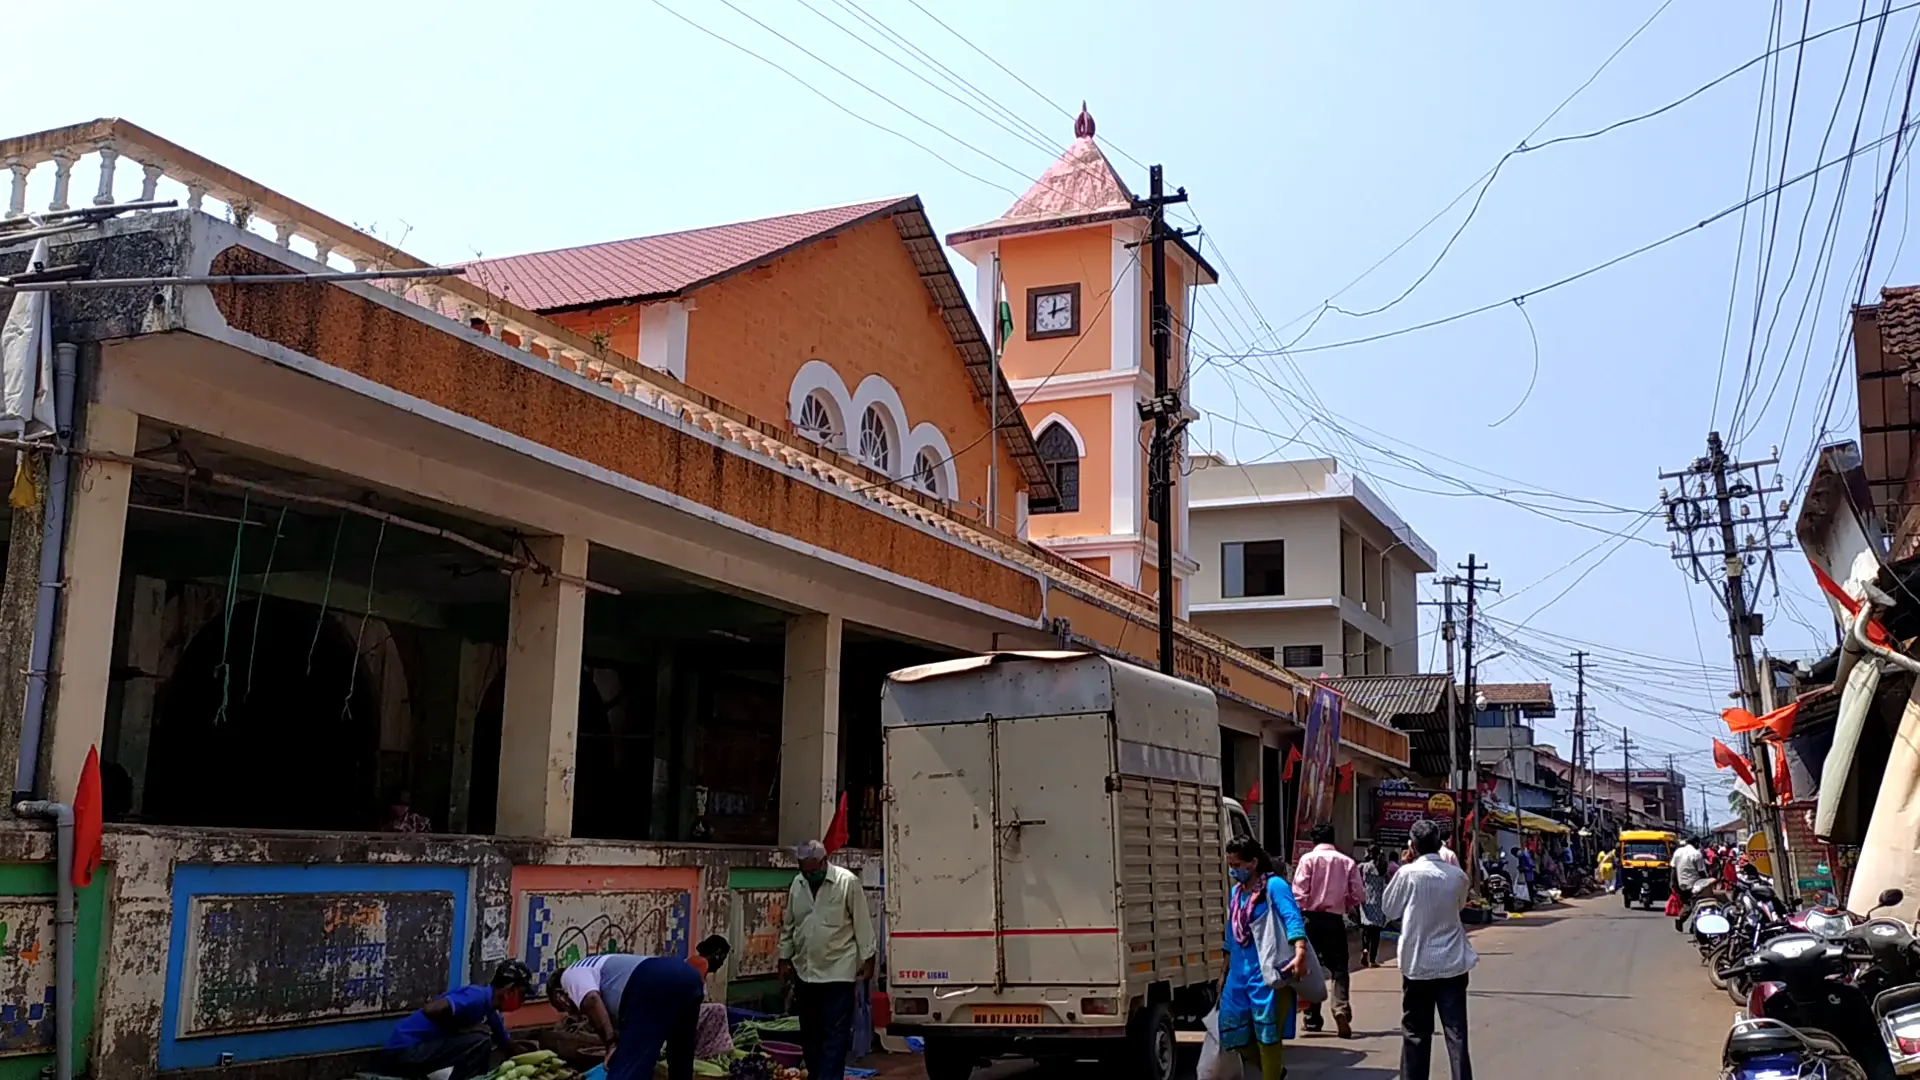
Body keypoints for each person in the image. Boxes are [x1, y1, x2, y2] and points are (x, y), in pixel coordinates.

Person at [1384, 819, 1477, 1080]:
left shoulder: (1407, 873)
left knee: (1415, 1033)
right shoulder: (1457, 876)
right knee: (1456, 1033)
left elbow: (1389, 909)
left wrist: (1404, 866)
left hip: (1418, 965)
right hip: (1453, 963)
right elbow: (1458, 907)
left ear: (1412, 847)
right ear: (1439, 845)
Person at [778, 839, 876, 1080]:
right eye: (804, 870)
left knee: (836, 1035)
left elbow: (862, 923)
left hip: (838, 971)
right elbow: (789, 924)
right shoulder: (798, 885)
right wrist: (784, 958)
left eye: (813, 870)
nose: (809, 875)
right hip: (806, 971)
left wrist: (868, 958)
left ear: (824, 862)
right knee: (810, 1034)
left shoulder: (847, 883)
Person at [548, 946, 714, 1080]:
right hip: (688, 977)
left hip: (650, 981)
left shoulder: (570, 976)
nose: (571, 1013)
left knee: (628, 1068)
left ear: (559, 994)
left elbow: (591, 1000)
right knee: (680, 1057)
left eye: (562, 1008)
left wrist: (611, 1045)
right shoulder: (597, 967)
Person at [1222, 836, 1309, 1080]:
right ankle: (1276, 1072)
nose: (1233, 870)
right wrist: (1224, 969)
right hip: (1238, 973)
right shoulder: (1236, 892)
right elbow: (1232, 930)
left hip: (1268, 973)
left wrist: (1300, 951)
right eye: (1230, 864)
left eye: (1238, 865)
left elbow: (1292, 918)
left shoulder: (1275, 886)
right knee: (1231, 1033)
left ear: (1254, 862)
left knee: (1268, 1038)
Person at [381, 959, 533, 1080]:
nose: (522, 1001)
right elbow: (431, 1009)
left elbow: (504, 1042)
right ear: (510, 991)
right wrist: (463, 1029)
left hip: (414, 1054)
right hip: (402, 1053)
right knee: (480, 1041)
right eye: (522, 995)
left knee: (481, 1038)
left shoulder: (490, 1009)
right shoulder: (477, 997)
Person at [1292, 822, 1364, 1037]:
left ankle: (1312, 1018)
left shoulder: (1307, 860)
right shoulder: (1347, 861)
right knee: (1339, 968)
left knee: (1311, 968)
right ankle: (1340, 1008)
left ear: (1314, 840)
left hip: (1310, 919)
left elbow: (1298, 893)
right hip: (1334, 919)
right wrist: (1346, 903)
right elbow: (1359, 894)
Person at [1357, 842, 1397, 968]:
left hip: (1366, 900)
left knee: (1365, 928)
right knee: (1376, 932)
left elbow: (1357, 882)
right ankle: (1373, 960)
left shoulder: (1363, 867)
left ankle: (1365, 949)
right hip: (1379, 902)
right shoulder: (1382, 867)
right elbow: (1388, 883)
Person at [1672, 835, 1707, 930]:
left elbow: (1673, 869)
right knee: (1696, 905)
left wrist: (1672, 882)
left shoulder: (1677, 852)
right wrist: (1706, 882)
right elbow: (1701, 871)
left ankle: (1687, 922)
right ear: (1696, 843)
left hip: (1680, 883)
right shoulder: (1696, 854)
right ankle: (1691, 925)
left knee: (1687, 904)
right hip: (1694, 884)